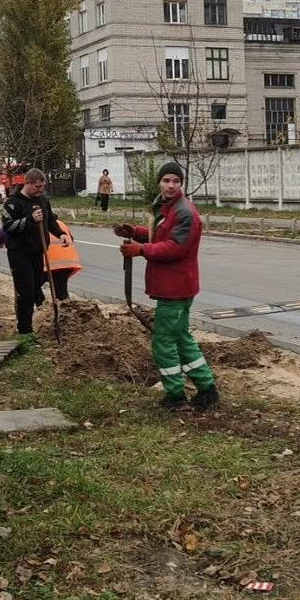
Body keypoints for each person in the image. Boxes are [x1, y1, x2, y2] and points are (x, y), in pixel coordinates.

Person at [115, 161, 219, 413]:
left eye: (176, 181)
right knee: (182, 338)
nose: (170, 185)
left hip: (176, 286)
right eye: (166, 180)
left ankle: (175, 396)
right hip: (172, 284)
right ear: (159, 182)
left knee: (163, 341)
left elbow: (176, 247)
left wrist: (141, 250)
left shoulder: (184, 212)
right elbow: (160, 235)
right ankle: (207, 389)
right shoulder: (166, 206)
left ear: (181, 184)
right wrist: (136, 232)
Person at [1, 168, 71, 336]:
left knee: (35, 287)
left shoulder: (42, 200)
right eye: (37, 187)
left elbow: (50, 220)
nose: (40, 190)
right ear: (27, 183)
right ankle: (25, 330)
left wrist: (61, 233)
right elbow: (8, 226)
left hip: (38, 252)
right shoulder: (13, 203)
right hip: (19, 253)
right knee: (25, 292)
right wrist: (30, 220)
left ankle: (33, 322)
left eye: (42, 187)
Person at [41, 219, 81, 301]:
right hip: (67, 262)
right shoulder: (60, 223)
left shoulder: (39, 223)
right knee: (61, 293)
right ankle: (65, 306)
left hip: (51, 264)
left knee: (33, 288)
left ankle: (41, 307)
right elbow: (71, 239)